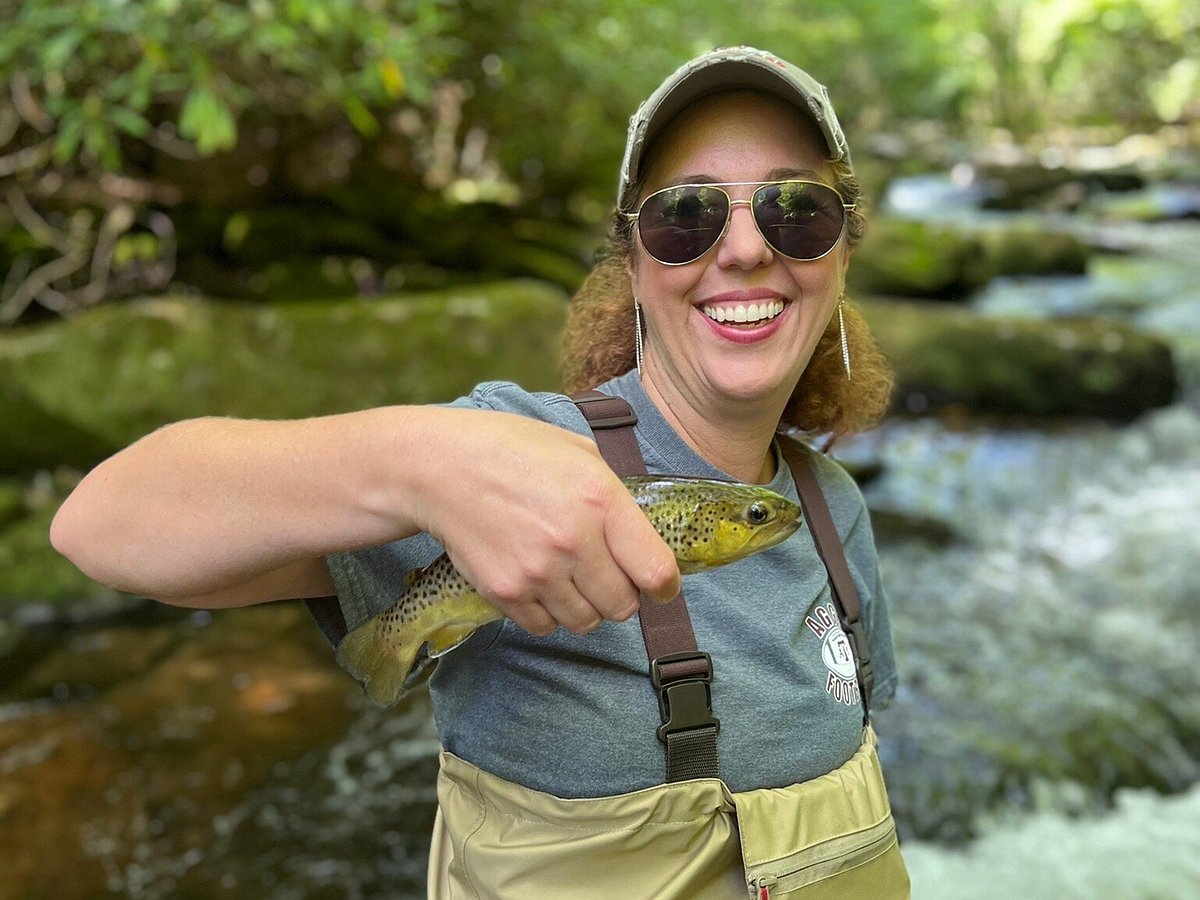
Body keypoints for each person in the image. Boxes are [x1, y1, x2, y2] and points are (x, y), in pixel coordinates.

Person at [51, 46, 909, 898]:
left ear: (843, 255)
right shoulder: (506, 456)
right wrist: (416, 464)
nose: (749, 249)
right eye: (686, 217)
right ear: (635, 266)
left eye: (799, 211)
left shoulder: (832, 509)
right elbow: (99, 527)